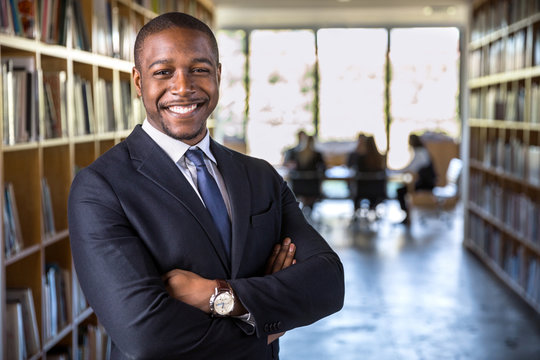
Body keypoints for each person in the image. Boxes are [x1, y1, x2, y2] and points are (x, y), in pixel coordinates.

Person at [67, 12, 344, 360]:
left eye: (199, 69)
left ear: (218, 75)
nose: (183, 87)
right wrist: (266, 323)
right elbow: (146, 336)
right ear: (138, 82)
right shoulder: (99, 188)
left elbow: (329, 284)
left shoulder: (261, 176)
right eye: (163, 72)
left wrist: (218, 294)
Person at [394, 133, 437, 225]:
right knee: (402, 190)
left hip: (428, 183)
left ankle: (407, 215)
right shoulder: (420, 151)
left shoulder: (420, 153)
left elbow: (412, 168)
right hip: (425, 181)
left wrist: (398, 171)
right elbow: (411, 167)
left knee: (401, 191)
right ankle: (407, 215)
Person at [346, 134, 386, 213]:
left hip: (361, 191)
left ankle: (356, 211)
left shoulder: (360, 158)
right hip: (377, 191)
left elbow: (350, 166)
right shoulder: (379, 158)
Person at [287, 135, 326, 210]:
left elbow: (292, 168)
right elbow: (324, 168)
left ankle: (305, 209)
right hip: (313, 186)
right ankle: (309, 209)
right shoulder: (317, 154)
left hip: (299, 186)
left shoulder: (297, 153)